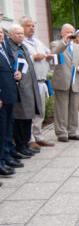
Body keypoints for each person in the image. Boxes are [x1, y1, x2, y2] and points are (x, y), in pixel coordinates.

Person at [7, 25, 42, 157]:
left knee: (28, 116)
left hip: (29, 87)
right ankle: (20, 145)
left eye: (22, 34)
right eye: (17, 34)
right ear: (10, 35)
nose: (21, 36)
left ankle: (26, 144)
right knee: (20, 118)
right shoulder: (10, 47)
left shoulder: (23, 47)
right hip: (20, 88)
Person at [21, 15, 55, 149]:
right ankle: (30, 138)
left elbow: (48, 52)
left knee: (40, 110)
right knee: (31, 110)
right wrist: (33, 57)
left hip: (41, 80)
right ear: (22, 28)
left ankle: (39, 135)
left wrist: (49, 56)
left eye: (33, 26)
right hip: (30, 82)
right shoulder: (22, 43)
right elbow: (21, 58)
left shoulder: (37, 41)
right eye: (28, 26)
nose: (31, 28)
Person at [50, 23, 79, 142]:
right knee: (61, 108)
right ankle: (61, 132)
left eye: (72, 32)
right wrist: (64, 42)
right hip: (62, 80)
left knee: (73, 108)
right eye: (68, 32)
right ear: (62, 33)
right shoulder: (56, 44)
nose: (70, 34)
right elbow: (54, 54)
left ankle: (72, 131)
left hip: (74, 81)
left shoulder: (78, 48)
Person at [0, 26, 23, 179]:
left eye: (1, 32)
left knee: (8, 127)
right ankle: (1, 161)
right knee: (1, 130)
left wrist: (18, 73)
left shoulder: (4, 48)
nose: (0, 35)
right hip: (2, 96)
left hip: (9, 94)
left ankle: (6, 156)